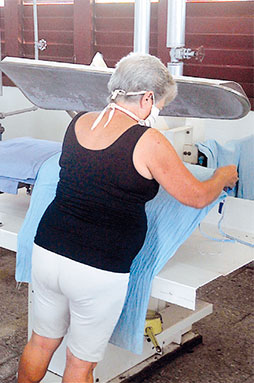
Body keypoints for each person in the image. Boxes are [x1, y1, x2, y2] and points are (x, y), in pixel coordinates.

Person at [17, 52, 238, 383]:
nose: (157, 111)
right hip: (96, 268)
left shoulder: (79, 122)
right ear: (147, 98)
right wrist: (222, 176)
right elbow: (195, 196)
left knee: (40, 341)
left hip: (48, 250)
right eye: (159, 104)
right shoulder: (148, 141)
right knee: (79, 365)